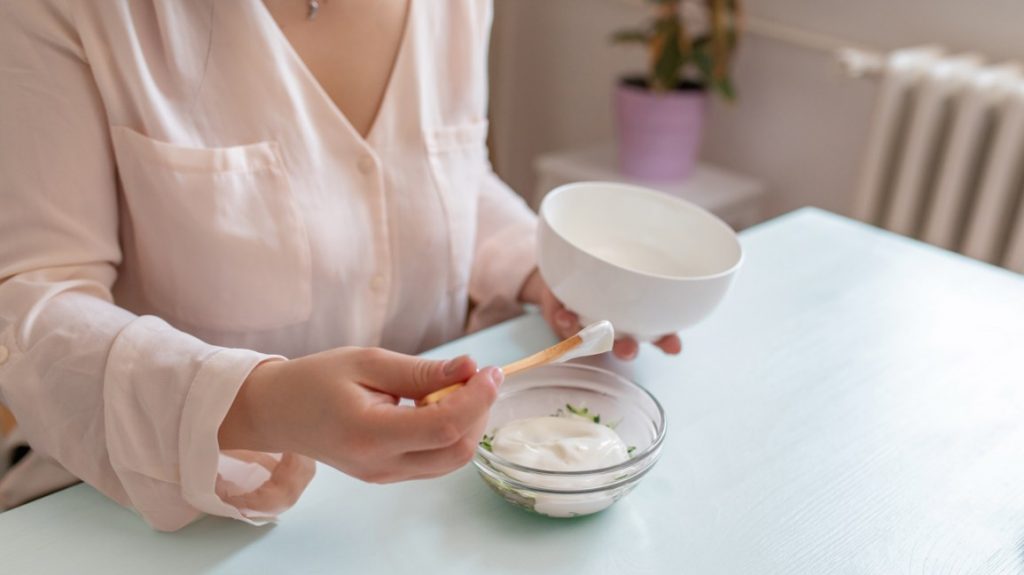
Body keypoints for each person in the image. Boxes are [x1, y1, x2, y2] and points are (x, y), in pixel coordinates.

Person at [0, 0, 681, 531]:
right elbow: (32, 300)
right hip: (135, 519)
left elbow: (445, 168)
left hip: (427, 515)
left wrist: (546, 269)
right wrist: (256, 404)